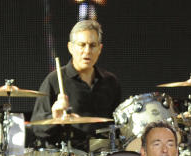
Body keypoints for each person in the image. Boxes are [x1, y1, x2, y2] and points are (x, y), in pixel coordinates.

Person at [30, 19, 122, 147]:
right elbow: (37, 129)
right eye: (82, 45)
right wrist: (55, 118)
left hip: (103, 155)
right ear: (70, 47)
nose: (87, 51)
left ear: (100, 49)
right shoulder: (54, 80)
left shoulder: (110, 82)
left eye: (92, 45)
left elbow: (119, 125)